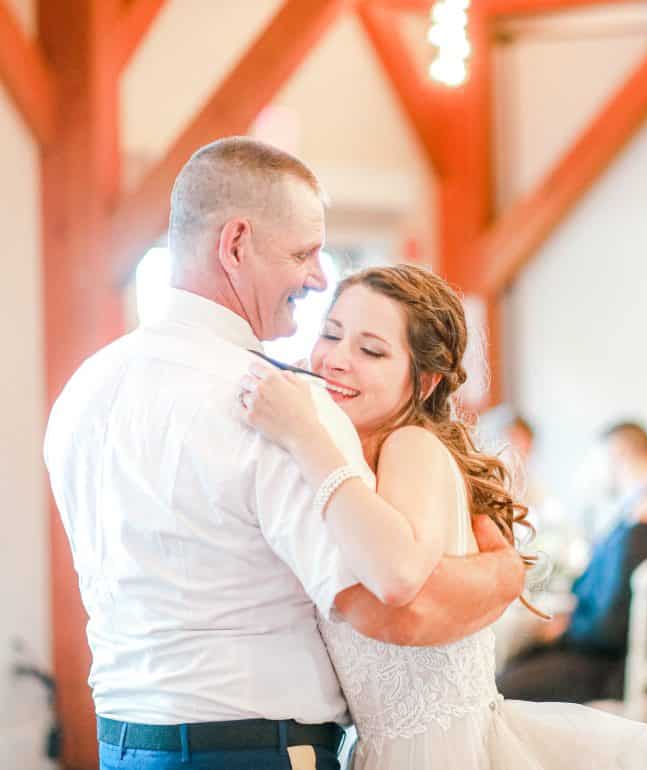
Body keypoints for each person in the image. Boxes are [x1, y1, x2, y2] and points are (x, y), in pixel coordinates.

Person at [43, 138, 525, 770]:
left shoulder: (84, 388)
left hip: (123, 743)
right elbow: (395, 612)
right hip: (256, 748)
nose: (319, 277)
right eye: (303, 252)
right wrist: (505, 571)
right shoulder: (277, 403)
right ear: (236, 244)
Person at [242, 264, 647, 770]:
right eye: (331, 335)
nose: (337, 361)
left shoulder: (412, 446)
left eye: (371, 350)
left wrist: (304, 437)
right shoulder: (362, 463)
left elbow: (396, 578)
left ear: (425, 382)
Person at [497, 422, 647, 702]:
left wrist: (566, 629)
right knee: (519, 662)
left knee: (505, 684)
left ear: (618, 455)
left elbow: (614, 623)